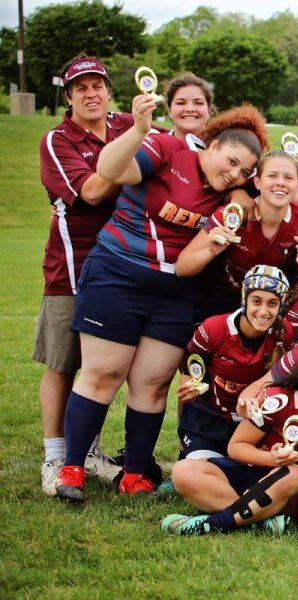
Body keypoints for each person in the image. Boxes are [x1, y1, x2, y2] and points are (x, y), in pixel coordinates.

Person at [53, 93, 268, 502]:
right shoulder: (169, 148)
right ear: (214, 144)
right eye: (231, 161)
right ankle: (72, 468)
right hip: (118, 273)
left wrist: (243, 193)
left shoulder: (231, 194)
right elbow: (110, 169)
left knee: (152, 383)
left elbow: (269, 194)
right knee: (103, 373)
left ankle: (136, 473)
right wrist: (137, 130)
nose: (235, 173)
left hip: (175, 291)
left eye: (244, 170)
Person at [36, 55, 127, 495]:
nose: (91, 93)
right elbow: (89, 192)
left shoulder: (128, 125)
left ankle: (87, 451)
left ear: (110, 91)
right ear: (68, 96)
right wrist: (136, 156)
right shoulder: (57, 139)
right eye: (81, 87)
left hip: (124, 269)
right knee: (62, 364)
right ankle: (55, 457)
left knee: (101, 365)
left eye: (98, 85)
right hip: (72, 270)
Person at [162, 341, 298, 536]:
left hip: (286, 489)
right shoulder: (279, 400)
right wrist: (272, 458)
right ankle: (258, 521)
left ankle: (214, 523)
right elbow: (236, 447)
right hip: (247, 474)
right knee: (183, 470)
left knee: (292, 472)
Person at [176, 150, 298, 317]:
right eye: (272, 176)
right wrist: (210, 250)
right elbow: (182, 267)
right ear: (257, 182)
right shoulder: (232, 215)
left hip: (271, 304)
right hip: (223, 297)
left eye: (288, 178)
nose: (280, 183)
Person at [174, 265, 293, 464]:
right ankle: (185, 455)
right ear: (244, 299)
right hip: (209, 421)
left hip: (251, 425)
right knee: (201, 475)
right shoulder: (214, 328)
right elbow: (190, 373)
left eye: (272, 303)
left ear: (280, 306)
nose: (264, 311)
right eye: (257, 301)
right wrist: (187, 391)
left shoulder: (284, 334)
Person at [163, 72, 213, 139]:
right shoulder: (153, 146)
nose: (189, 109)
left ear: (209, 109)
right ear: (169, 110)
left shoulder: (225, 147)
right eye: (181, 103)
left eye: (198, 103)